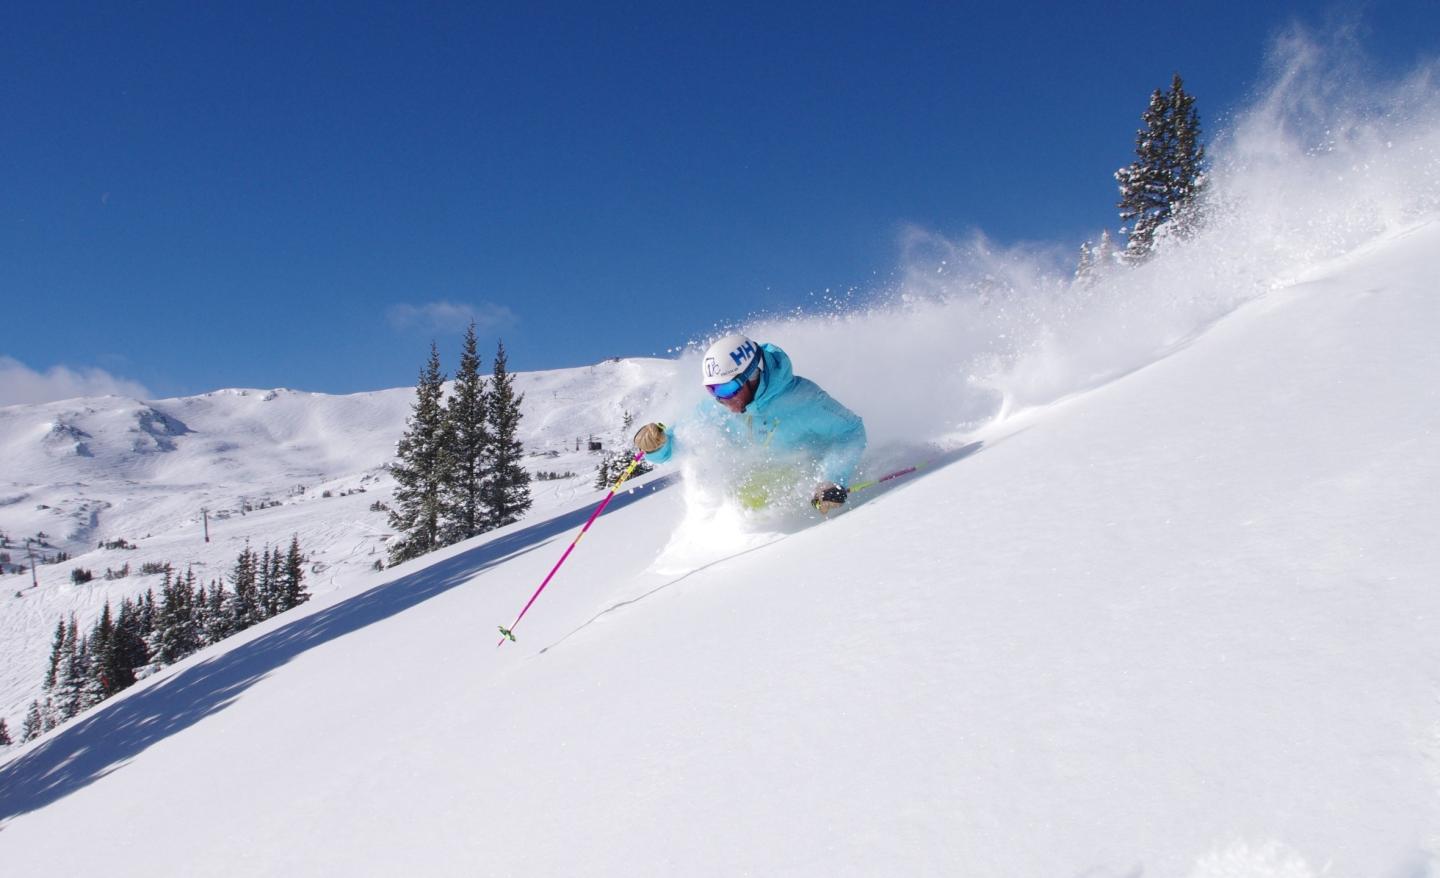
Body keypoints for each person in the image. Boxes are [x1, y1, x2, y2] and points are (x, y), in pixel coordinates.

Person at [633, 333, 866, 514]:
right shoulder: (717, 407)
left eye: (727, 388)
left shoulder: (803, 399)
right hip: (752, 491)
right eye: (712, 390)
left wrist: (833, 479)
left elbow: (851, 430)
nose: (722, 399)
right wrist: (658, 446)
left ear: (752, 376)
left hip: (801, 482)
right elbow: (683, 440)